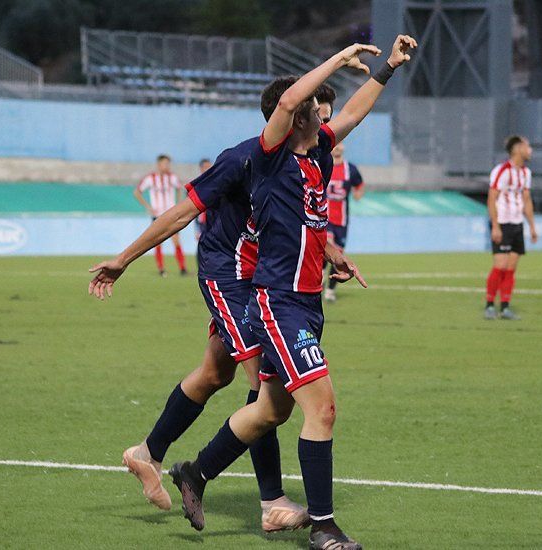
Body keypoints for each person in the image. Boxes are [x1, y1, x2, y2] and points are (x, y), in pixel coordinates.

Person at [168, 35, 416, 550]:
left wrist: (386, 69)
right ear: (299, 115)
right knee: (321, 409)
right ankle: (323, 527)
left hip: (306, 299)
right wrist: (338, 57)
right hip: (278, 302)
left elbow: (353, 112)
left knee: (269, 411)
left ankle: (195, 473)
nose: (324, 114)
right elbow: (285, 101)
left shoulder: (319, 151)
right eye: (314, 107)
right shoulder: (270, 158)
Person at [89, 88, 353, 531]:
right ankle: (271, 502)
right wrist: (124, 258)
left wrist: (327, 248)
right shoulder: (244, 159)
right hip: (229, 274)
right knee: (262, 384)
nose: (323, 128)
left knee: (215, 372)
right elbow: (179, 214)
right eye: (317, 116)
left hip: (263, 274)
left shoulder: (301, 156)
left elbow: (296, 218)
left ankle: (147, 452)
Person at [484, 136, 538, 321]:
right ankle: (489, 305)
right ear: (517, 149)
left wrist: (531, 226)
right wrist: (496, 226)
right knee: (500, 266)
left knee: (511, 268)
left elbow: (526, 200)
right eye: (527, 146)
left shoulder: (526, 173)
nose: (530, 150)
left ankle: (505, 307)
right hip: (503, 224)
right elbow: (492, 198)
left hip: (517, 224)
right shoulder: (502, 171)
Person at [133, 154, 188, 276]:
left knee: (176, 241)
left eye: (168, 163)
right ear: (159, 164)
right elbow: (137, 192)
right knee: (157, 241)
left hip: (171, 215)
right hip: (157, 215)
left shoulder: (172, 177)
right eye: (164, 163)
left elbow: (180, 189)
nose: (167, 166)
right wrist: (148, 207)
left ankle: (183, 268)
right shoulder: (150, 178)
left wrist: (178, 204)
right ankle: (161, 269)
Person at [324, 142, 365, 302]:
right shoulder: (323, 164)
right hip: (324, 219)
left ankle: (330, 289)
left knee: (339, 256)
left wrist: (358, 194)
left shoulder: (350, 169)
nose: (337, 147)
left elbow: (359, 185)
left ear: (344, 147)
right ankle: (318, 280)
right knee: (325, 248)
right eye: (335, 144)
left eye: (340, 144)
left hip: (341, 221)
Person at [194, 158, 212, 241]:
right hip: (202, 218)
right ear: (201, 168)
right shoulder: (197, 183)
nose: (208, 168)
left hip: (213, 218)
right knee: (202, 241)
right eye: (206, 167)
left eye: (209, 166)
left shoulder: (217, 182)